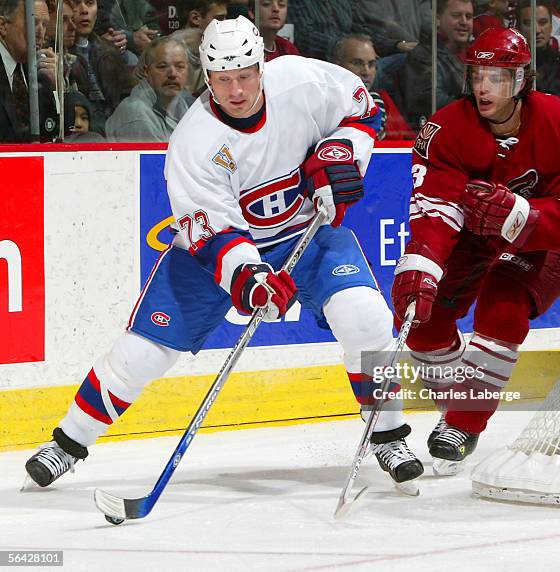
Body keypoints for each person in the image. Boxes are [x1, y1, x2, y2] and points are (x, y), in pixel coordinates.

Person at [25, 16, 424, 490]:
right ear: (206, 77)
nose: (235, 90)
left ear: (262, 65)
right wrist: (251, 278)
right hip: (221, 252)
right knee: (142, 354)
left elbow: (364, 112)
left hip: (303, 233)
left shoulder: (303, 81)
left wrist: (341, 152)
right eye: (222, 79)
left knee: (367, 318)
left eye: (245, 76)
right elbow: (215, 235)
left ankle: (387, 434)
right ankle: (67, 443)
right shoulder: (195, 143)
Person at [391, 27, 560, 468]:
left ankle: (465, 422)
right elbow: (434, 209)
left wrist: (520, 216)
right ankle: (456, 409)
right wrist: (421, 264)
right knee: (420, 317)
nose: (484, 87)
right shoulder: (443, 130)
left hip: (551, 236)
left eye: (498, 77)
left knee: (502, 305)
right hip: (476, 230)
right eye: (478, 75)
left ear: (521, 81)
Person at [398, 0, 474, 130]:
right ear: (437, 19)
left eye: (468, 17)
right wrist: (477, 108)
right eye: (456, 15)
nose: (464, 22)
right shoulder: (424, 56)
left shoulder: (474, 56)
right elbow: (431, 103)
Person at [105, 37, 192, 141]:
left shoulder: (186, 107)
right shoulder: (136, 113)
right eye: (163, 66)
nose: (172, 74)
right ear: (146, 71)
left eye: (179, 66)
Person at [333, 34, 415, 140]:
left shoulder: (381, 101)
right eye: (357, 63)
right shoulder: (325, 104)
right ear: (337, 66)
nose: (366, 72)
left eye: (371, 64)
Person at [0, 0, 59, 141]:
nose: (40, 33)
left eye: (44, 24)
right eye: (33, 22)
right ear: (2, 26)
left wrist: (57, 90)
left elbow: (53, 133)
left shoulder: (40, 73)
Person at [70, 0, 132, 134]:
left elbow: (126, 99)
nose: (84, 10)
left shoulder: (109, 51)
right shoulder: (56, 54)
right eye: (76, 4)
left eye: (90, 3)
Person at [517, 0, 560, 106]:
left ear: (551, 27)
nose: (537, 30)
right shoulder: (511, 64)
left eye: (543, 22)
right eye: (528, 23)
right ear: (518, 28)